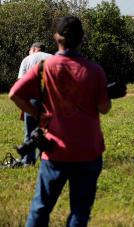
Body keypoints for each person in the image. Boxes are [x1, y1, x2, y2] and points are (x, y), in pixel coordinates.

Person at [9, 16, 111, 226]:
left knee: (40, 209)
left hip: (54, 150)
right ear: (82, 38)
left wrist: (37, 114)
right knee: (79, 213)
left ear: (57, 38)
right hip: (88, 151)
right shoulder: (95, 70)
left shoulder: (45, 67)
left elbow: (15, 94)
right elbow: (104, 108)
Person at [17, 42, 53, 166]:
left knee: (30, 131)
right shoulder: (53, 58)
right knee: (51, 131)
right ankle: (49, 159)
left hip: (33, 99)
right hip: (51, 101)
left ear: (34, 49)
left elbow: (21, 81)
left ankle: (28, 160)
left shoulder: (27, 59)